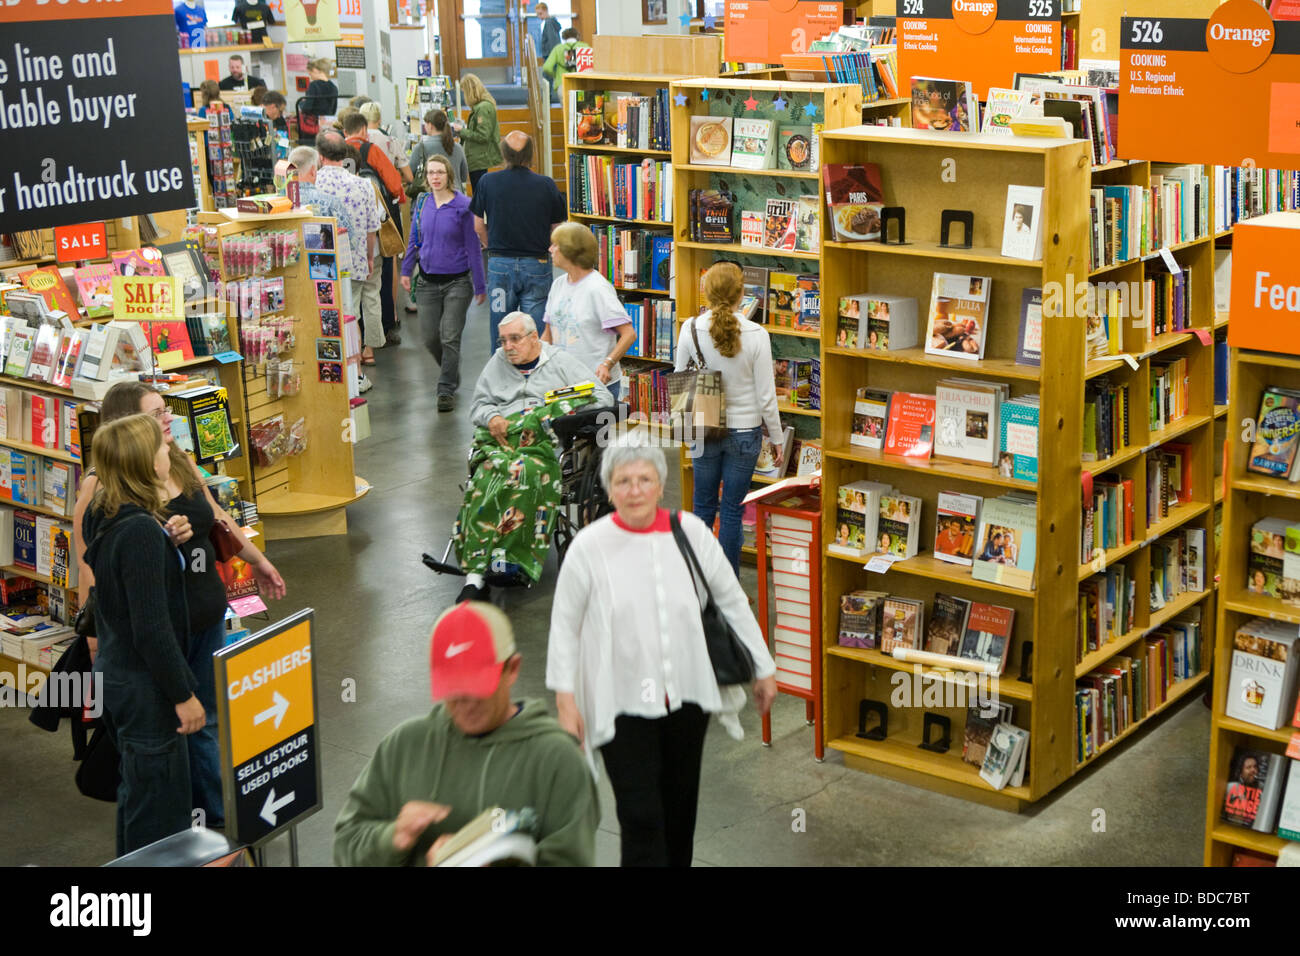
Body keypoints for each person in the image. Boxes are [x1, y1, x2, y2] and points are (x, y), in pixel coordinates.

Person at [546, 437, 777, 867]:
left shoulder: (688, 531)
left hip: (685, 700)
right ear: (609, 488)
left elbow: (730, 598)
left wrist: (763, 667)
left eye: (645, 479)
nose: (635, 490)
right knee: (640, 816)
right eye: (623, 481)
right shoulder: (588, 548)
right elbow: (564, 627)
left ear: (660, 483)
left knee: (679, 810)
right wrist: (565, 700)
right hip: (620, 704)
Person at [74, 383, 286, 830]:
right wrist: (181, 694)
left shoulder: (159, 487)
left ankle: (203, 827)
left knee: (186, 744)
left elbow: (218, 520)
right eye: (156, 416)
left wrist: (258, 562)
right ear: (135, 442)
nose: (168, 422)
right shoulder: (117, 511)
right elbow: (131, 604)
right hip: (159, 648)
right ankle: (197, 836)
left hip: (199, 621)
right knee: (155, 782)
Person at [334, 601, 599, 866]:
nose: (466, 704)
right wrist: (393, 838)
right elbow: (346, 847)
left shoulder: (558, 762)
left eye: (477, 688)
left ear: (513, 669)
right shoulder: (404, 747)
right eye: (454, 690)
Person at [82, 414, 205, 855]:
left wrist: (162, 539)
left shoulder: (105, 512)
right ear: (141, 463)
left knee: (137, 801)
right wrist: (183, 694)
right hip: (149, 692)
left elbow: (119, 576)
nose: (165, 453)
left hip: (118, 681)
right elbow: (152, 629)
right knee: (161, 817)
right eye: (158, 448)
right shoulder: (139, 533)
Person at [458, 311, 612, 602]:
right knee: (485, 477)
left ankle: (509, 557)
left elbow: (602, 398)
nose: (507, 347)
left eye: (514, 339)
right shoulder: (498, 363)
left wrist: (561, 409)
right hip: (500, 442)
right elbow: (477, 405)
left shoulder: (560, 362)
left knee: (524, 473)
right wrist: (491, 416)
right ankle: (475, 577)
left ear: (533, 338)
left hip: (544, 446)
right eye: (503, 340)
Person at [674, 261, 783, 575]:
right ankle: (729, 589)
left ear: (705, 291)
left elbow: (681, 379)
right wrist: (776, 439)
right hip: (745, 431)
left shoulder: (690, 328)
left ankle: (697, 582)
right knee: (732, 512)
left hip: (704, 425)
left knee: (702, 507)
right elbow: (766, 396)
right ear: (741, 295)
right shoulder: (757, 334)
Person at [401, 155, 486, 413]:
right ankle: (450, 368)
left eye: (440, 172)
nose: (435, 177)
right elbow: (414, 239)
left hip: (458, 283)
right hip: (426, 282)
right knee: (429, 338)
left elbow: (474, 248)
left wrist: (480, 285)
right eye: (430, 172)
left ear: (449, 175)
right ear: (426, 177)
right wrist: (406, 269)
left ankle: (446, 388)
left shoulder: (464, 206)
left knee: (450, 337)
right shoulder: (423, 202)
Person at [470, 131, 566, 351]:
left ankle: (502, 377)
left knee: (500, 327)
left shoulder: (487, 182)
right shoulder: (546, 184)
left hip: (499, 266)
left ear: (503, 154)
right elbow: (557, 228)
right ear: (530, 154)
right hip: (537, 266)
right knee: (536, 331)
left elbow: (477, 225)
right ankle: (536, 377)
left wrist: (489, 245)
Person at [314, 129, 381, 390]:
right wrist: (368, 258)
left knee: (325, 321)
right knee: (350, 317)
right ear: (344, 154)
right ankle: (356, 375)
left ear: (320, 156)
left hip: (319, 266)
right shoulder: (363, 185)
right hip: (353, 264)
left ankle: (330, 375)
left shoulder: (313, 184)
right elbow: (372, 228)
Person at [542, 222, 636, 402]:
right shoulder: (558, 284)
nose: (550, 249)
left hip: (595, 386)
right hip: (561, 383)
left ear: (571, 251)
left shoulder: (598, 288)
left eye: (556, 245)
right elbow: (548, 334)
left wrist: (607, 364)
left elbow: (629, 334)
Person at [343, 110, 405, 356]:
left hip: (344, 244)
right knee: (375, 286)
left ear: (344, 132)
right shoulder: (372, 150)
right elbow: (394, 185)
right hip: (375, 235)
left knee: (350, 296)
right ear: (364, 130)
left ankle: (353, 345)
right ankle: (377, 338)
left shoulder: (336, 153)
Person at [453, 74, 501, 194]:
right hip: (478, 157)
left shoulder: (483, 108)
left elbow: (482, 135)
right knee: (479, 193)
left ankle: (478, 214)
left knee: (479, 194)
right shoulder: (483, 106)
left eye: (464, 92)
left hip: (479, 158)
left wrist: (461, 131)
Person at [406, 109, 470, 199]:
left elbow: (410, 176)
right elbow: (463, 176)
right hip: (455, 198)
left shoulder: (420, 148)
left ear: (430, 125)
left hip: (430, 198)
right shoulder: (457, 148)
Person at [297, 58, 338, 146]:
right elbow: (334, 109)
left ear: (316, 70)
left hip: (312, 128)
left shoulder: (313, 86)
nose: (310, 76)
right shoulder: (334, 87)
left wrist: (301, 103)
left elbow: (306, 108)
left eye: (310, 73)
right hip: (327, 126)